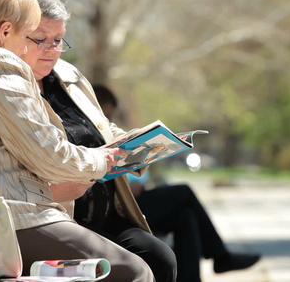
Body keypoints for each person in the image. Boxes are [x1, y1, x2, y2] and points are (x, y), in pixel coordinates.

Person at [0, 0, 153, 281]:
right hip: (9, 225)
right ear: (5, 31)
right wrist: (102, 160)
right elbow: (49, 155)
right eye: (29, 35)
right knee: (133, 270)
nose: (28, 49)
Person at [20, 0, 177, 281]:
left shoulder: (68, 75)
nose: (52, 50)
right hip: (63, 218)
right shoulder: (11, 88)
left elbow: (102, 128)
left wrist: (144, 144)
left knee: (160, 256)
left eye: (59, 40)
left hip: (108, 213)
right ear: (14, 34)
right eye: (41, 39)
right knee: (138, 267)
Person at [94, 84, 262, 282]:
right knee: (184, 192)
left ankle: (205, 269)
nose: (109, 121)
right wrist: (129, 186)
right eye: (107, 115)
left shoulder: (106, 132)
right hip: (121, 203)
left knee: (186, 216)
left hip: (135, 196)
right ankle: (220, 256)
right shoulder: (87, 133)